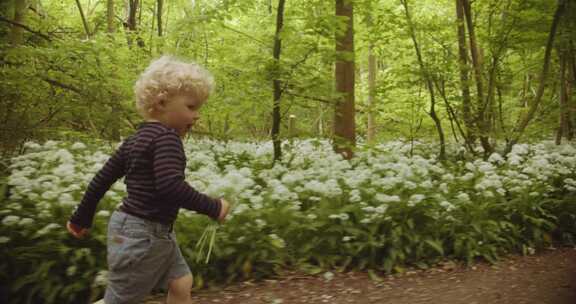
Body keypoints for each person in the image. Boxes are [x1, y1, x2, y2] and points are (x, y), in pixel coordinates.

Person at [66, 55, 230, 304]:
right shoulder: (167, 139)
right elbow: (170, 187)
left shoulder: (135, 139)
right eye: (191, 107)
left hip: (140, 229)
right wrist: (213, 206)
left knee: (181, 281)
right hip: (144, 234)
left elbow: (101, 179)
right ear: (163, 102)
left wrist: (81, 216)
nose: (197, 116)